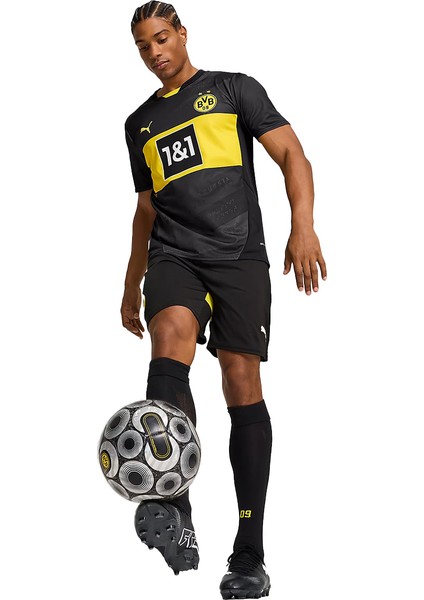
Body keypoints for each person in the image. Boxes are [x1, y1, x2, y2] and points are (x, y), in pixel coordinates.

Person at [121, 2, 327, 597]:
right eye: (143, 45)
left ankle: (249, 554)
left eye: (162, 38)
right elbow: (146, 209)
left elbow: (292, 154)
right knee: (169, 339)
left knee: (241, 381)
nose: (155, 52)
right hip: (174, 255)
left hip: (238, 255)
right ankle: (175, 508)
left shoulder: (234, 90)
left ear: (182, 35)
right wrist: (132, 282)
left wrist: (303, 225)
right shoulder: (139, 124)